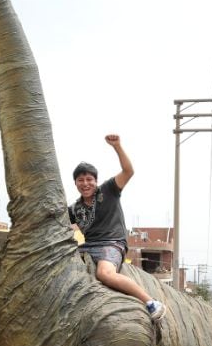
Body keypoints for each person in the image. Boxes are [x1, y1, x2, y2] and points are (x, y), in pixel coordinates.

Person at [69, 134, 166, 322]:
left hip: (111, 244)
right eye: (80, 180)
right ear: (75, 183)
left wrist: (117, 147)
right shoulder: (75, 209)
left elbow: (128, 171)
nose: (85, 183)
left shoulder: (108, 190)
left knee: (104, 274)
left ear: (95, 181)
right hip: (88, 246)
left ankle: (151, 302)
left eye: (89, 179)